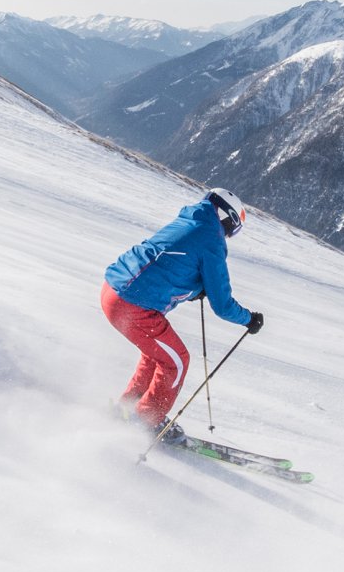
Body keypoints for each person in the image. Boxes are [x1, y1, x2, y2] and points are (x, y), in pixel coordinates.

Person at [102, 187, 264, 440]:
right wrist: (249, 319)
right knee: (176, 362)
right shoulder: (211, 240)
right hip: (133, 304)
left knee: (158, 355)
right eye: (237, 223)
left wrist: (196, 289)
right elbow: (222, 305)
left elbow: (169, 264)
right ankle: (145, 422)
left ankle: (127, 408)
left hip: (113, 290)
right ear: (229, 217)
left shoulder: (190, 221)